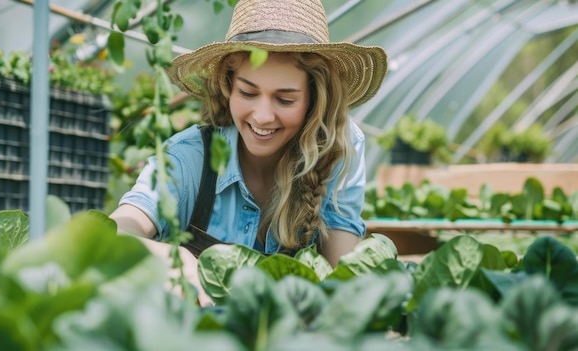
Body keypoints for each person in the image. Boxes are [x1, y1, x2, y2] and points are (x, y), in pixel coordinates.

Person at [109, 0, 387, 304]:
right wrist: (175, 258)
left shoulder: (336, 150)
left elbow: (344, 276)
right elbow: (116, 230)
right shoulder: (189, 157)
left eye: (285, 100)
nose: (263, 116)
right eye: (248, 92)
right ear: (228, 85)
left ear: (313, 100)